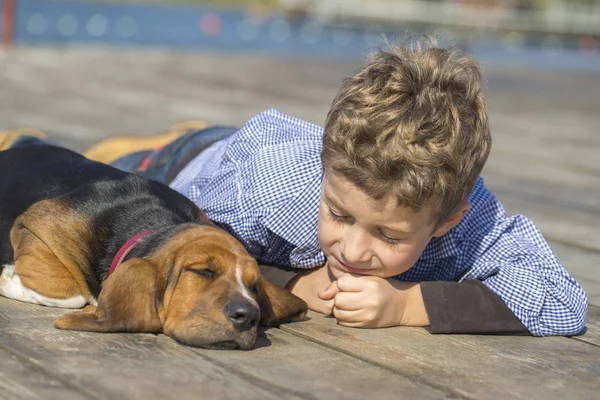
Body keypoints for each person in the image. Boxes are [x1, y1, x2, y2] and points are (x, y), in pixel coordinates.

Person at [1, 36, 587, 336]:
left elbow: (563, 301)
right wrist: (296, 278)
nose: (354, 250)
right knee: (132, 158)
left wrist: (410, 304)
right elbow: (205, 242)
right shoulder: (271, 190)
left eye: (388, 234)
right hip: (198, 164)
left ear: (446, 222)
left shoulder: (473, 226)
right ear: (325, 173)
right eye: (340, 214)